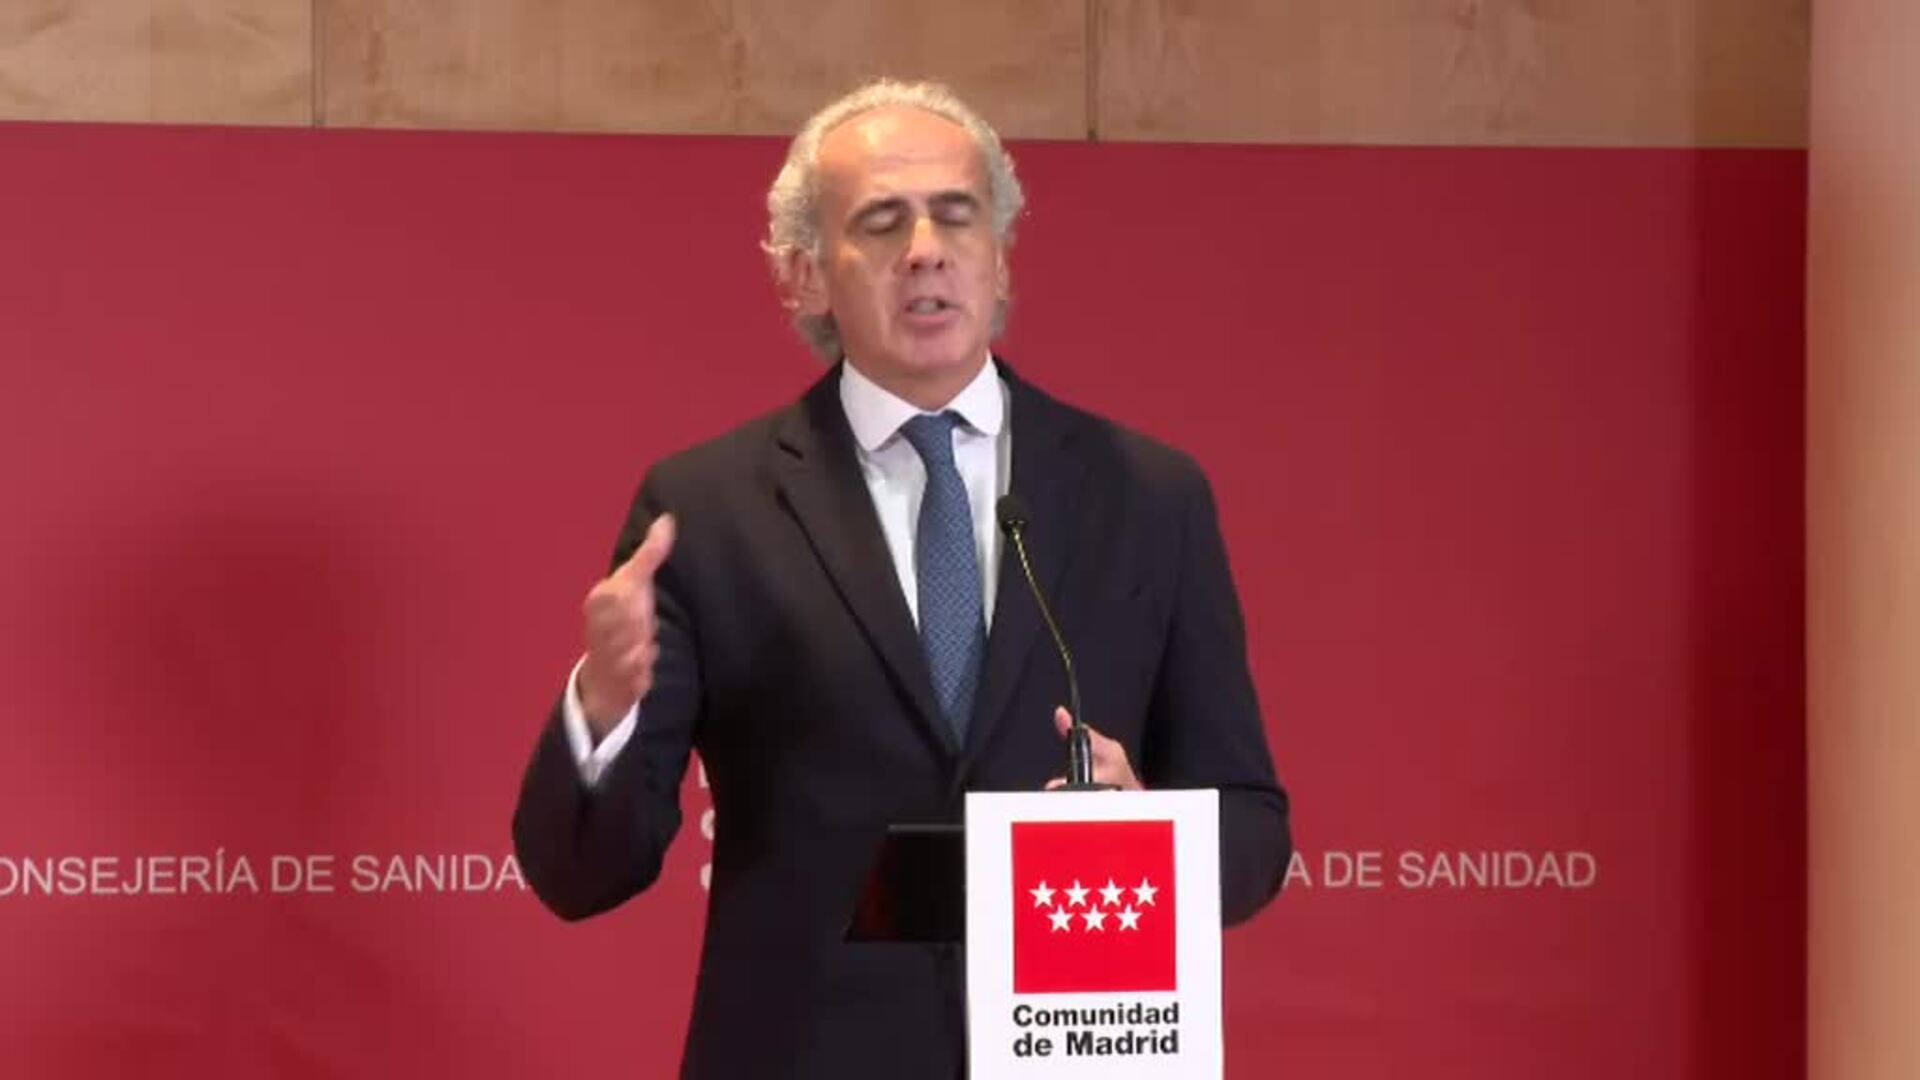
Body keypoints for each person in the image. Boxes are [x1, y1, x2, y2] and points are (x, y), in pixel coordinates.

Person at [512, 78, 1290, 1079]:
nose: (926, 249)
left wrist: (1150, 838)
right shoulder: (708, 509)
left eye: (956, 217)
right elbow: (582, 875)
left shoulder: (1147, 496)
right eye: (881, 224)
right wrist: (603, 707)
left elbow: (1253, 833)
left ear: (999, 260)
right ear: (805, 277)